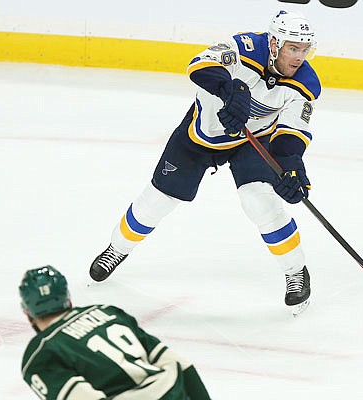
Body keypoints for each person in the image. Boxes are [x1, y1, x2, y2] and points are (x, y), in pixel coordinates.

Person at [89, 10, 320, 316]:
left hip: (254, 142)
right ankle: (116, 249)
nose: (299, 57)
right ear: (275, 43)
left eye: (305, 49)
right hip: (201, 135)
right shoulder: (244, 47)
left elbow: (291, 132)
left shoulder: (306, 83)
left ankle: (296, 271)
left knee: (259, 201)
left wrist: (291, 166)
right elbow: (200, 65)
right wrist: (230, 89)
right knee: (157, 200)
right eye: (293, 48)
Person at [19, 265, 211, 400]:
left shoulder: (41, 354)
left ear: (27, 312)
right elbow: (181, 365)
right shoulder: (106, 312)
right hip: (172, 391)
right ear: (68, 300)